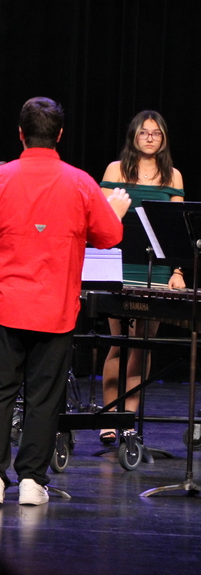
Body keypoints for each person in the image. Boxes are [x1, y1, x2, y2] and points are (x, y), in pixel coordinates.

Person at [0, 97, 129, 505]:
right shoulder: (82, 182)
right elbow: (109, 238)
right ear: (60, 136)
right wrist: (114, 211)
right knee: (43, 397)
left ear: (20, 133)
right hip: (56, 310)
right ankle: (33, 482)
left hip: (3, 306)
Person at [97, 110, 184, 444]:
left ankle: (128, 419)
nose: (150, 137)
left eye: (156, 133)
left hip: (157, 269)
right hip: (119, 265)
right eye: (144, 132)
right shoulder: (115, 170)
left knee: (142, 346)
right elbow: (104, 222)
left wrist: (177, 271)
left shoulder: (173, 175)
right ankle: (109, 417)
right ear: (133, 135)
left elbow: (177, 230)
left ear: (163, 139)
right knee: (119, 343)